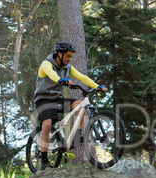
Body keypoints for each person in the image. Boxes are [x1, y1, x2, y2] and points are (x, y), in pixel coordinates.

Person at [34, 41, 108, 170]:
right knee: (47, 124)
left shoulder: (68, 68)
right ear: (59, 54)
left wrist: (97, 86)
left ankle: (77, 137)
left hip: (57, 99)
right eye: (67, 56)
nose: (69, 59)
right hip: (43, 100)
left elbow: (82, 77)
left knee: (80, 105)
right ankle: (44, 159)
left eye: (71, 56)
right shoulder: (46, 64)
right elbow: (51, 74)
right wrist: (60, 80)